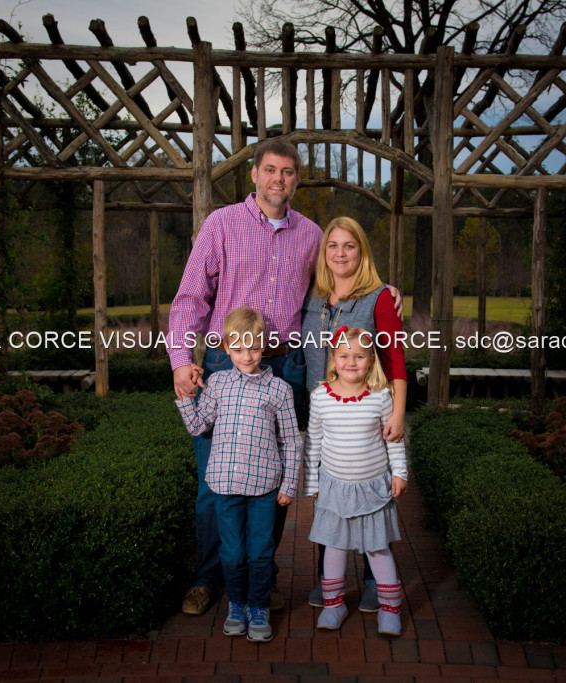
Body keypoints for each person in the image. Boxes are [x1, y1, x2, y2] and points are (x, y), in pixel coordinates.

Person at [169, 138, 320, 616]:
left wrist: (386, 290)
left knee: (271, 479)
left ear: (297, 178)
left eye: (288, 171)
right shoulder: (222, 224)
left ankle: (259, 577)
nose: (279, 179)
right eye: (271, 170)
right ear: (254, 174)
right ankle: (208, 578)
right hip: (222, 365)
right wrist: (179, 360)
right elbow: (191, 298)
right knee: (216, 481)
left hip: (285, 369)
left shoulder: (312, 235)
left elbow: (344, 279)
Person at [175, 306, 301, 643]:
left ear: (264, 346)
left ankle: (258, 606)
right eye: (239, 348)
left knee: (259, 551)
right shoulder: (216, 384)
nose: (247, 356)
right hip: (226, 487)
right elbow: (199, 426)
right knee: (231, 553)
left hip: (264, 489)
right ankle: (238, 604)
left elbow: (290, 440)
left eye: (254, 347)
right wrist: (187, 398)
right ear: (226, 348)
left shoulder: (280, 391)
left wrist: (289, 484)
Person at [301, 216, 407, 611]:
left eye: (349, 245)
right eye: (332, 245)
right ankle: (330, 582)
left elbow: (395, 359)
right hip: (326, 411)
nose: (340, 253)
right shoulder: (312, 297)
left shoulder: (378, 297)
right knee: (331, 498)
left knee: (371, 497)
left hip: (367, 415)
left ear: (361, 251)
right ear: (323, 253)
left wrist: (397, 412)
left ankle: (374, 582)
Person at [303, 327, 407, 636]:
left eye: (360, 356)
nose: (352, 362)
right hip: (334, 488)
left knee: (377, 549)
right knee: (334, 547)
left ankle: (390, 610)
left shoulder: (380, 397)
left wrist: (399, 472)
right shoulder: (320, 397)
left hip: (373, 488)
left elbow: (394, 440)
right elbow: (314, 443)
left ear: (371, 360)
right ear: (333, 359)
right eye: (344, 356)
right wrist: (312, 484)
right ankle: (334, 605)